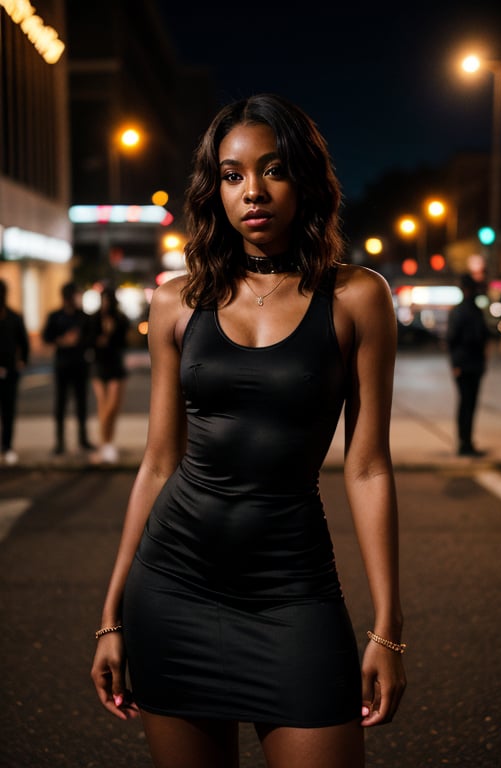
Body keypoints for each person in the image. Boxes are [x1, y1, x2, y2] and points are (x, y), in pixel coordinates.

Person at [91, 93, 406, 768]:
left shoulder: (357, 296)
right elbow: (156, 463)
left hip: (293, 591)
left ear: (306, 180)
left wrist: (388, 627)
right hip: (172, 590)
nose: (252, 192)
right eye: (232, 175)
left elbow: (369, 466)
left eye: (272, 170)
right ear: (214, 190)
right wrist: (111, 614)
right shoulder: (179, 299)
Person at [42, 281, 94, 455]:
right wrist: (62, 340)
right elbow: (46, 336)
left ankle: (83, 439)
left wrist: (79, 340)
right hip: (62, 364)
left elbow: (90, 338)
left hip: (80, 364)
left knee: (81, 404)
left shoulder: (83, 316)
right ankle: (59, 442)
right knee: (61, 404)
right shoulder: (55, 316)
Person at [446, 272, 491, 457]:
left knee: (468, 404)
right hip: (467, 364)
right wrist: (456, 364)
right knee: (467, 404)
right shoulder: (467, 311)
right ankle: (464, 443)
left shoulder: (465, 310)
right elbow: (453, 339)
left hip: (471, 364)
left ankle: (466, 441)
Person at [88, 285, 130, 464]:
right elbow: (88, 340)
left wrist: (112, 332)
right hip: (99, 364)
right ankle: (104, 444)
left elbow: (125, 342)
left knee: (113, 406)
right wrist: (100, 337)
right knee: (103, 406)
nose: (105, 303)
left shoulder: (120, 319)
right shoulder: (94, 318)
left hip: (115, 364)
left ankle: (107, 443)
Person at [0, 278, 30, 465]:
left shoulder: (13, 317)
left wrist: (22, 362)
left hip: (9, 371)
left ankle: (7, 446)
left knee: (9, 410)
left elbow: (24, 343)